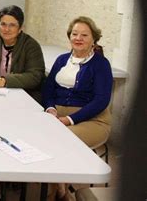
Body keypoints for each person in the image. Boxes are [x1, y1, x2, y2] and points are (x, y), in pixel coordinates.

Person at [42, 17, 113, 201]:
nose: (78, 38)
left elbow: (101, 100)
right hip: (56, 117)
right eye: (74, 34)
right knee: (36, 137)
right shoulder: (61, 60)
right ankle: (59, 187)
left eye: (84, 35)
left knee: (59, 140)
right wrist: (50, 109)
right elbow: (48, 89)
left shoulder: (101, 64)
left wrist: (69, 120)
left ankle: (56, 193)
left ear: (93, 39)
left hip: (92, 120)